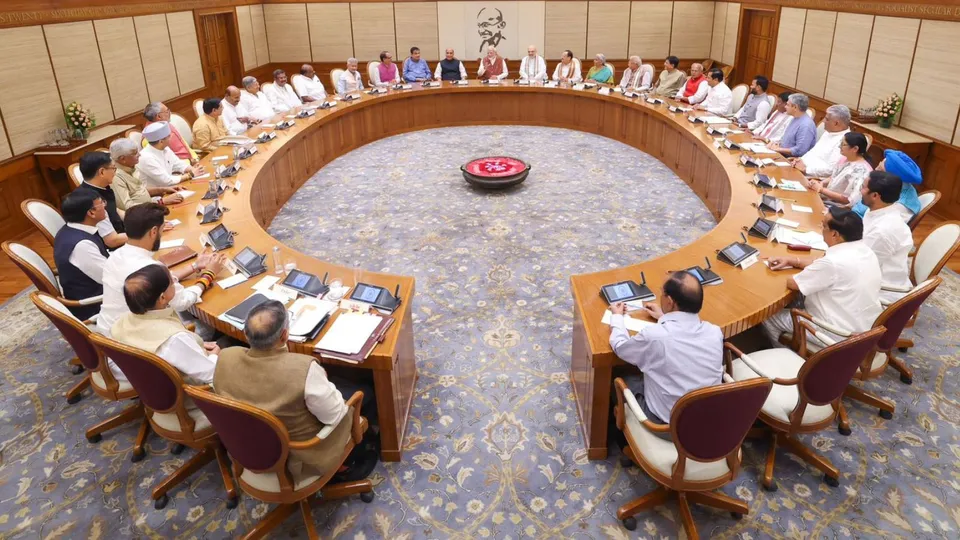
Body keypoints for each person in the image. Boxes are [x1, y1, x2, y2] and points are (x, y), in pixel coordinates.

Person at [215, 301, 372, 478]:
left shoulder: (226, 356)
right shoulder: (303, 370)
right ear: (284, 335)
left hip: (247, 446)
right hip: (298, 456)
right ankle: (348, 465)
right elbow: (334, 415)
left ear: (246, 333)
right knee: (363, 393)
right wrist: (323, 382)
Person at [97, 203, 224, 343]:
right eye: (162, 230)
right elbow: (183, 302)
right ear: (153, 232)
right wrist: (209, 274)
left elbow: (161, 281)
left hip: (108, 334)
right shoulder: (150, 267)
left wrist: (194, 266)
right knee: (210, 327)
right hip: (137, 342)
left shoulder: (116, 256)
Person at [609, 271, 723, 426]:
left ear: (670, 302)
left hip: (668, 427)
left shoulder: (656, 336)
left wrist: (616, 317)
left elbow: (620, 347)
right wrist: (664, 316)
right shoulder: (714, 332)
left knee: (620, 376)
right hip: (708, 421)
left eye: (661, 293)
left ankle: (618, 439)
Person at [763, 207, 882, 348]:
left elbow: (793, 283)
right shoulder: (865, 250)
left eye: (824, 226)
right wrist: (793, 261)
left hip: (835, 334)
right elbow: (822, 266)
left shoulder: (833, 262)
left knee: (768, 316)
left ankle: (783, 354)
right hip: (864, 328)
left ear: (835, 234)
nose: (821, 228)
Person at [111, 265, 220, 385]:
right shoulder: (175, 339)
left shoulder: (122, 321)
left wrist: (193, 345)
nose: (175, 281)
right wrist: (214, 355)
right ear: (162, 298)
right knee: (229, 347)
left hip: (150, 384)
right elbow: (212, 375)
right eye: (171, 282)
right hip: (190, 390)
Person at [53, 190, 109, 320]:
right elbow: (112, 278)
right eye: (102, 203)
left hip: (97, 290)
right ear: (91, 213)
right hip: (95, 305)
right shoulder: (82, 246)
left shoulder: (70, 229)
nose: (105, 206)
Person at [860, 171, 914, 304]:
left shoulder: (882, 231)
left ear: (875, 195)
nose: (860, 190)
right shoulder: (877, 210)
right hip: (869, 270)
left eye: (863, 187)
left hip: (880, 291)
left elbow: (860, 267)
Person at [801, 132, 872, 207]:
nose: (839, 146)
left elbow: (849, 200)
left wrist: (822, 190)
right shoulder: (845, 158)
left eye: (843, 144)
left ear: (855, 149)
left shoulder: (861, 171)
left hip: (837, 207)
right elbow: (835, 176)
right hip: (826, 199)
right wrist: (821, 183)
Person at [109, 138, 182, 211]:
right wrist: (161, 202)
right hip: (142, 216)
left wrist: (163, 189)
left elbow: (140, 191)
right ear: (123, 159)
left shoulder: (130, 166)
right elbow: (128, 207)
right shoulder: (115, 177)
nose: (139, 154)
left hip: (150, 207)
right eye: (135, 153)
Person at [74, 151, 127, 249]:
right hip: (110, 251)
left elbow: (115, 210)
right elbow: (112, 241)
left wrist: (142, 220)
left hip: (121, 234)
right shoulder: (91, 202)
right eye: (113, 168)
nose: (115, 172)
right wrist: (142, 233)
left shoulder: (101, 188)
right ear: (102, 172)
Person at [852, 150, 922, 222]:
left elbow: (872, 227)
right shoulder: (892, 187)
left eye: (880, 169)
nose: (875, 169)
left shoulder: (899, 207)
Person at [791, 104, 852, 176]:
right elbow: (813, 152)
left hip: (813, 178)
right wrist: (801, 160)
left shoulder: (845, 141)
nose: (823, 121)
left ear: (836, 123)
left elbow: (831, 169)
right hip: (801, 169)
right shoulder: (828, 132)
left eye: (826, 119)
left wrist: (806, 169)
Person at [137, 122, 203, 188]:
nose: (171, 138)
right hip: (157, 196)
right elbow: (166, 180)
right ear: (161, 141)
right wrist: (190, 175)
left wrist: (193, 169)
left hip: (171, 188)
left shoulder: (165, 149)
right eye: (169, 136)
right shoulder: (145, 157)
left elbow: (178, 164)